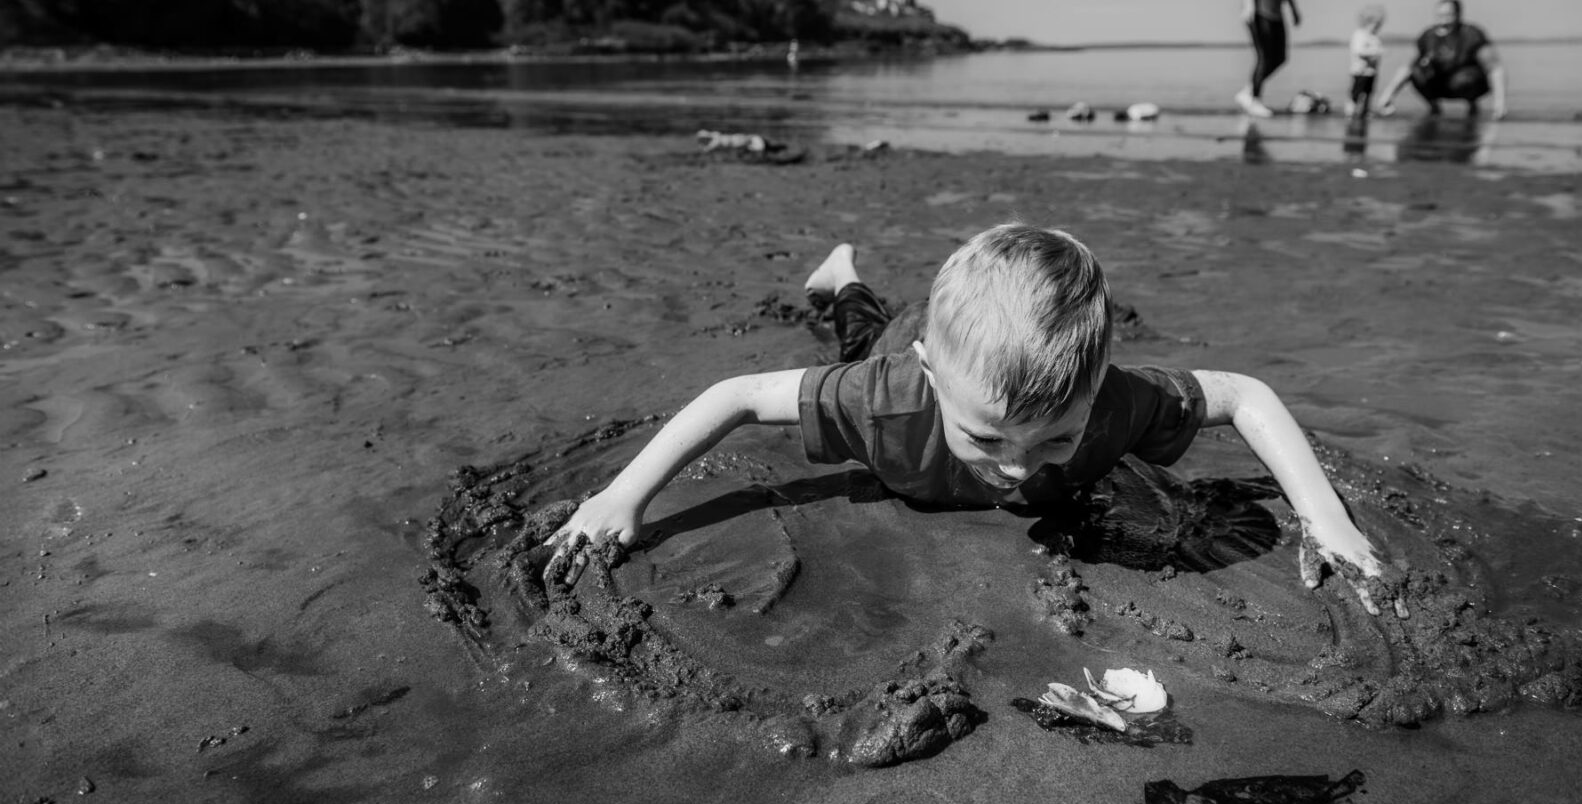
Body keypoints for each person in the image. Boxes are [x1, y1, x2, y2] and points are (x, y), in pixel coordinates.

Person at [542, 225, 1386, 614]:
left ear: (1095, 395)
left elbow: (1244, 394)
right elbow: (734, 396)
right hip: (905, 346)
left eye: (1054, 438)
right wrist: (623, 498)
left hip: (979, 360)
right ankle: (841, 272)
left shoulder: (1119, 399)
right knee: (859, 333)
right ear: (935, 384)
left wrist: (1325, 518)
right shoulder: (885, 397)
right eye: (988, 440)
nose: (1018, 467)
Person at [1376, 0, 1507, 119]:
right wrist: (1387, 97)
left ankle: (1472, 106)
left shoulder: (1471, 34)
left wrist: (1499, 104)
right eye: (1440, 15)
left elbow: (1495, 68)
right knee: (1417, 71)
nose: (1443, 19)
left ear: (1458, 14)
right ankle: (1434, 107)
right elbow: (1408, 68)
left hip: (1466, 83)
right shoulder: (1428, 36)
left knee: (1465, 79)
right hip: (1438, 84)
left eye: (1448, 14)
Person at [1346, 5, 1385, 118]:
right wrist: (1375, 52)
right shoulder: (1359, 34)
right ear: (1367, 22)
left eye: (1379, 25)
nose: (1377, 27)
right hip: (1360, 71)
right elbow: (1358, 51)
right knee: (1356, 94)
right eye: (1375, 24)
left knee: (1369, 93)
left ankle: (1365, 112)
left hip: (1371, 72)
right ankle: (1351, 113)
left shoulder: (1374, 37)